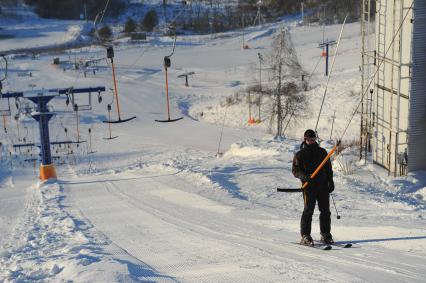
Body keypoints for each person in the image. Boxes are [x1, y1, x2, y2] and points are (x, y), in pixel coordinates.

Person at [292, 129, 335, 245]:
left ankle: (325, 234)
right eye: (309, 139)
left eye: (313, 139)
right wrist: (305, 177)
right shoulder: (300, 154)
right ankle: (305, 236)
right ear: (305, 139)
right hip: (308, 187)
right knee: (308, 211)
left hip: (323, 186)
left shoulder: (322, 152)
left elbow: (328, 169)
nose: (311, 141)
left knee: (325, 211)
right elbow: (295, 171)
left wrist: (330, 181)